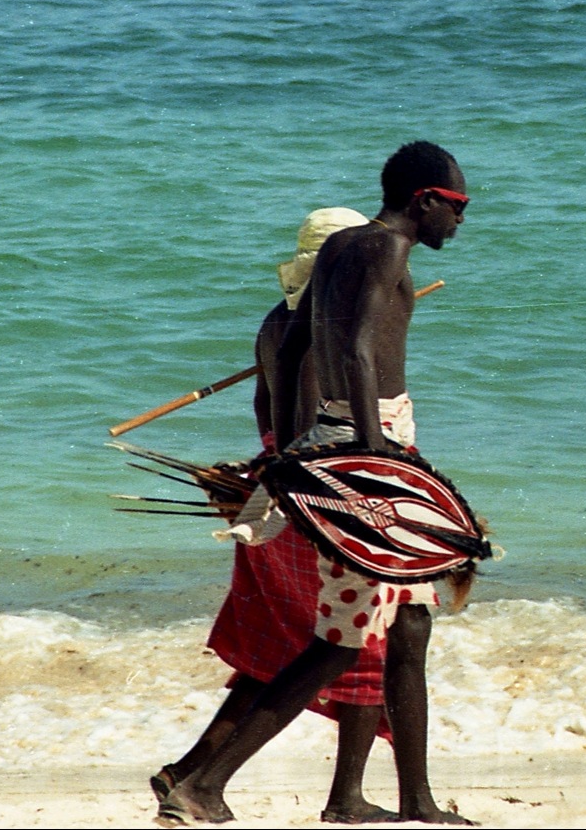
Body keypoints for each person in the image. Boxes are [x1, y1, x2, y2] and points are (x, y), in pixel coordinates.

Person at [159, 142, 473, 827]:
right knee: (342, 638)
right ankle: (204, 786)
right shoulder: (386, 249)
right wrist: (370, 458)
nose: (462, 221)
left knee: (411, 624)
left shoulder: (342, 248)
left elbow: (298, 343)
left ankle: (416, 800)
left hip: (345, 436)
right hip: (370, 440)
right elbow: (357, 349)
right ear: (424, 199)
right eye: (458, 207)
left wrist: (291, 449)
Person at [152, 207, 397, 824]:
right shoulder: (319, 339)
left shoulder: (277, 324)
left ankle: (190, 772)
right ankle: (341, 798)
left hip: (273, 496)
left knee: (287, 655)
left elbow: (278, 430)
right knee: (357, 644)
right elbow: (304, 437)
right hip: (302, 503)